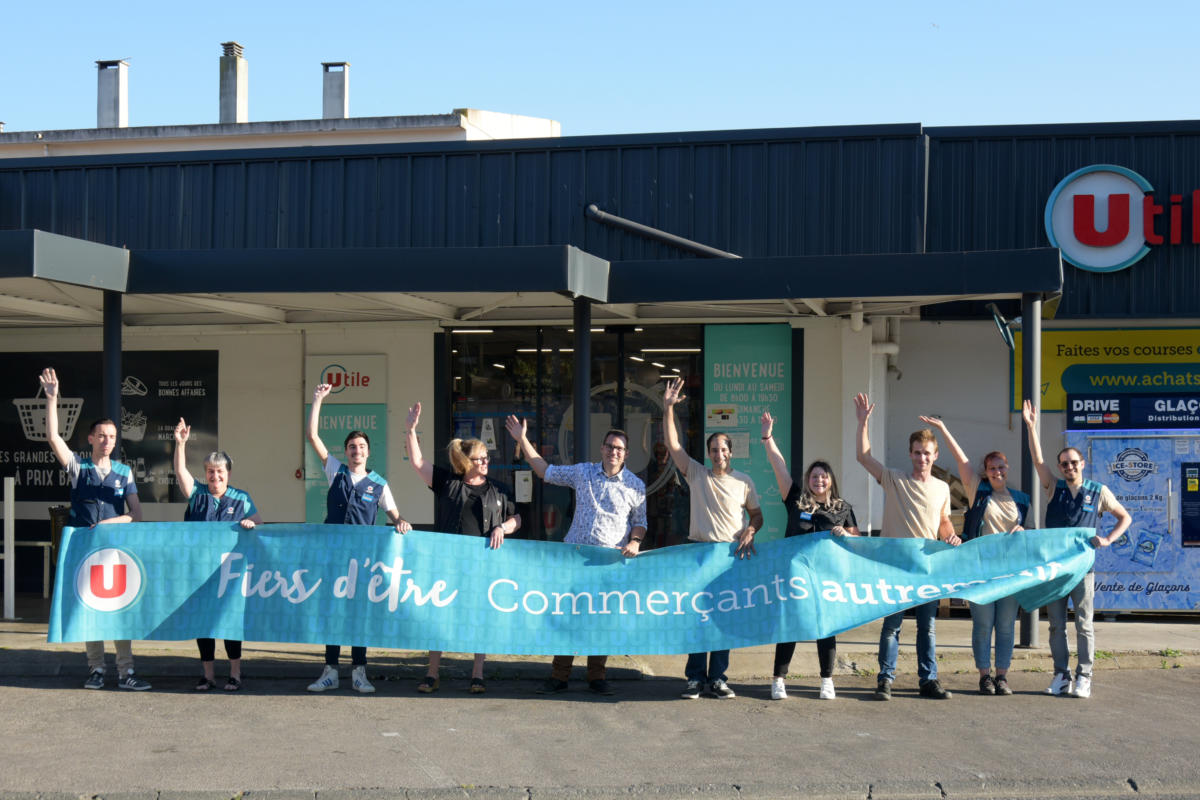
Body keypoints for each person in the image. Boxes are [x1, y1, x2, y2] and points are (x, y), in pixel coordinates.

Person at [505, 414, 647, 695]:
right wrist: (522, 439)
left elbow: (640, 521)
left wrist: (635, 541)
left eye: (619, 448)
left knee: (601, 619)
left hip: (608, 561)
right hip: (575, 558)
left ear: (626, 454)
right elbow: (545, 471)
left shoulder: (635, 486)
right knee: (568, 615)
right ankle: (559, 675)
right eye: (609, 446)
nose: (613, 451)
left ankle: (597, 676)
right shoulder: (583, 472)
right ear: (602, 448)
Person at [38, 368, 150, 691]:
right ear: (91, 438)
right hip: (84, 552)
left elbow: (136, 514)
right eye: (101, 435)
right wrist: (52, 399)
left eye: (112, 437)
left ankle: (126, 671)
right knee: (89, 608)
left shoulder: (124, 472)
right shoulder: (78, 467)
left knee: (119, 608)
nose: (107, 441)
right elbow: (53, 438)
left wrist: (109, 523)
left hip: (115, 551)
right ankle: (96, 669)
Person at [405, 402, 520, 694]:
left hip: (482, 563)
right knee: (439, 614)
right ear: (466, 461)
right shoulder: (447, 482)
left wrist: (501, 528)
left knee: (478, 615)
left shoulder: (498, 489)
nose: (485, 462)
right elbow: (417, 462)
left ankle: (477, 674)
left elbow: (517, 518)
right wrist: (410, 429)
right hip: (447, 562)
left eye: (487, 458)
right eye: (480, 458)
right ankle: (432, 673)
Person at [306, 383, 411, 694]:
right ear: (346, 451)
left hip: (363, 560)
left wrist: (401, 522)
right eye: (352, 446)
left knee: (359, 613)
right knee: (333, 611)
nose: (356, 450)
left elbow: (395, 514)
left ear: (368, 451)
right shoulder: (334, 471)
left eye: (361, 446)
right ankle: (329, 671)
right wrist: (318, 400)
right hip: (333, 556)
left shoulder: (378, 484)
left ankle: (360, 673)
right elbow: (313, 436)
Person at [853, 393, 960, 701]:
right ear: (910, 454)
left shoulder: (941, 488)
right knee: (892, 627)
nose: (922, 458)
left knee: (927, 628)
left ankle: (929, 680)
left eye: (927, 453)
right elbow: (863, 457)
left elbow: (944, 521)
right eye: (917, 453)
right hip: (896, 566)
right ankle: (885, 679)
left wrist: (951, 535)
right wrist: (863, 423)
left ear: (935, 455)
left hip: (926, 567)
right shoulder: (893, 479)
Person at [1023, 400, 1132, 699]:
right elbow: (1036, 459)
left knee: (1084, 625)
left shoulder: (1098, 491)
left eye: (1073, 462)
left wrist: (1108, 539)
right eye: (1064, 463)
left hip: (1083, 570)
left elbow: (1125, 517)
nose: (1069, 466)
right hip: (1056, 570)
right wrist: (1031, 426)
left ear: (1082, 464)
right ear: (1060, 468)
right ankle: (1061, 676)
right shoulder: (1053, 486)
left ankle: (1085, 676)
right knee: (1056, 626)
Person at [663, 378, 762, 700]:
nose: (718, 454)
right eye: (713, 450)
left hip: (729, 555)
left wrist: (751, 529)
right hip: (699, 552)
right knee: (697, 616)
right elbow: (674, 446)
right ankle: (694, 678)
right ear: (708, 454)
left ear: (730, 452)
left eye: (723, 449)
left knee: (723, 617)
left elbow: (758, 516)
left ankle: (718, 677)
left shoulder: (743, 481)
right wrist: (667, 409)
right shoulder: (696, 473)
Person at [920, 415, 1028, 697]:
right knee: (983, 625)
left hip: (1010, 572)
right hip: (980, 570)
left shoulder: (1021, 499)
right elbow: (961, 460)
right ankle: (984, 677)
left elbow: (1028, 533)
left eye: (1001, 467)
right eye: (992, 468)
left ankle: (1002, 677)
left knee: (1005, 626)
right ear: (986, 471)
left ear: (1008, 468)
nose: (997, 472)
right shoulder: (978, 492)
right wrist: (943, 428)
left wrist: (1022, 528)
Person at [760, 411, 859, 701]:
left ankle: (827, 680)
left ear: (830, 481)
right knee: (789, 625)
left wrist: (846, 535)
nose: (819, 480)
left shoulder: (843, 507)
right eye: (814, 476)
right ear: (808, 480)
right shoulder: (795, 500)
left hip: (827, 577)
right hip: (794, 577)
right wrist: (768, 438)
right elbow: (778, 466)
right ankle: (779, 679)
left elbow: (858, 540)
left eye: (824, 476)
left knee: (825, 627)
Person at [173, 417, 263, 691]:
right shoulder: (197, 494)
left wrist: (251, 523)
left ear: (229, 474)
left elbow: (259, 522)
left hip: (231, 574)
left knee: (230, 623)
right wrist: (180, 444)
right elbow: (179, 472)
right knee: (204, 624)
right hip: (200, 573)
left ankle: (235, 674)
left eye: (220, 472)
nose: (215, 477)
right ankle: (208, 675)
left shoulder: (241, 498)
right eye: (210, 472)